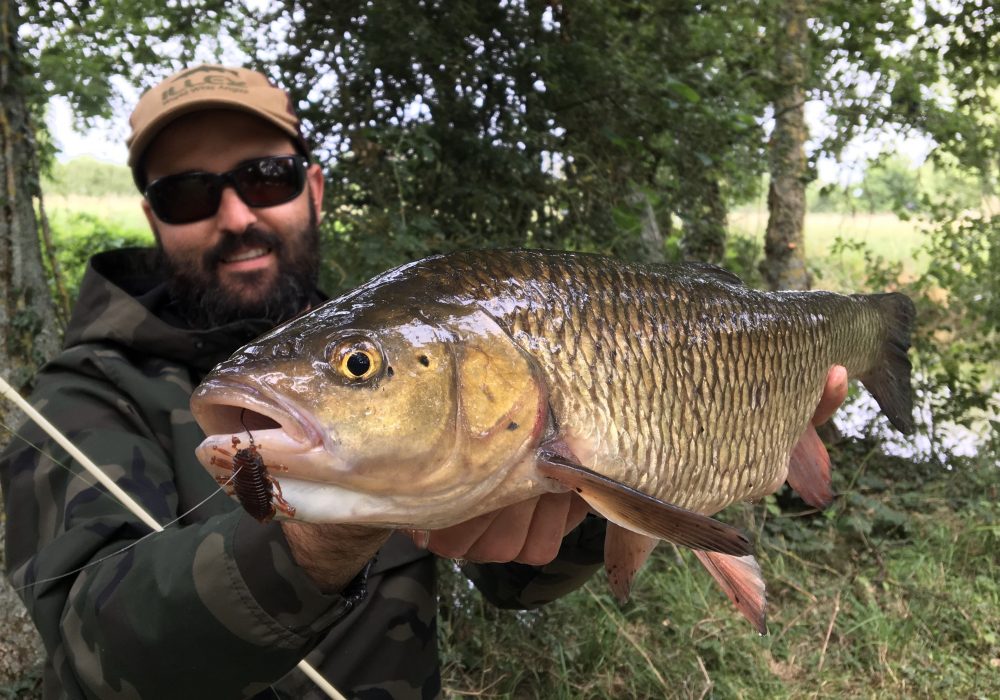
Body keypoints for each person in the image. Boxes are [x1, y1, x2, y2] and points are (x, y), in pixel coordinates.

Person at [0, 64, 848, 699]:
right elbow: (89, 651)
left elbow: (514, 579)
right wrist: (315, 538)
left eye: (266, 177)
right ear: (151, 217)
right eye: (188, 194)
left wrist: (606, 492)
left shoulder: (395, 332)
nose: (236, 215)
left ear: (313, 188)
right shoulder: (81, 398)